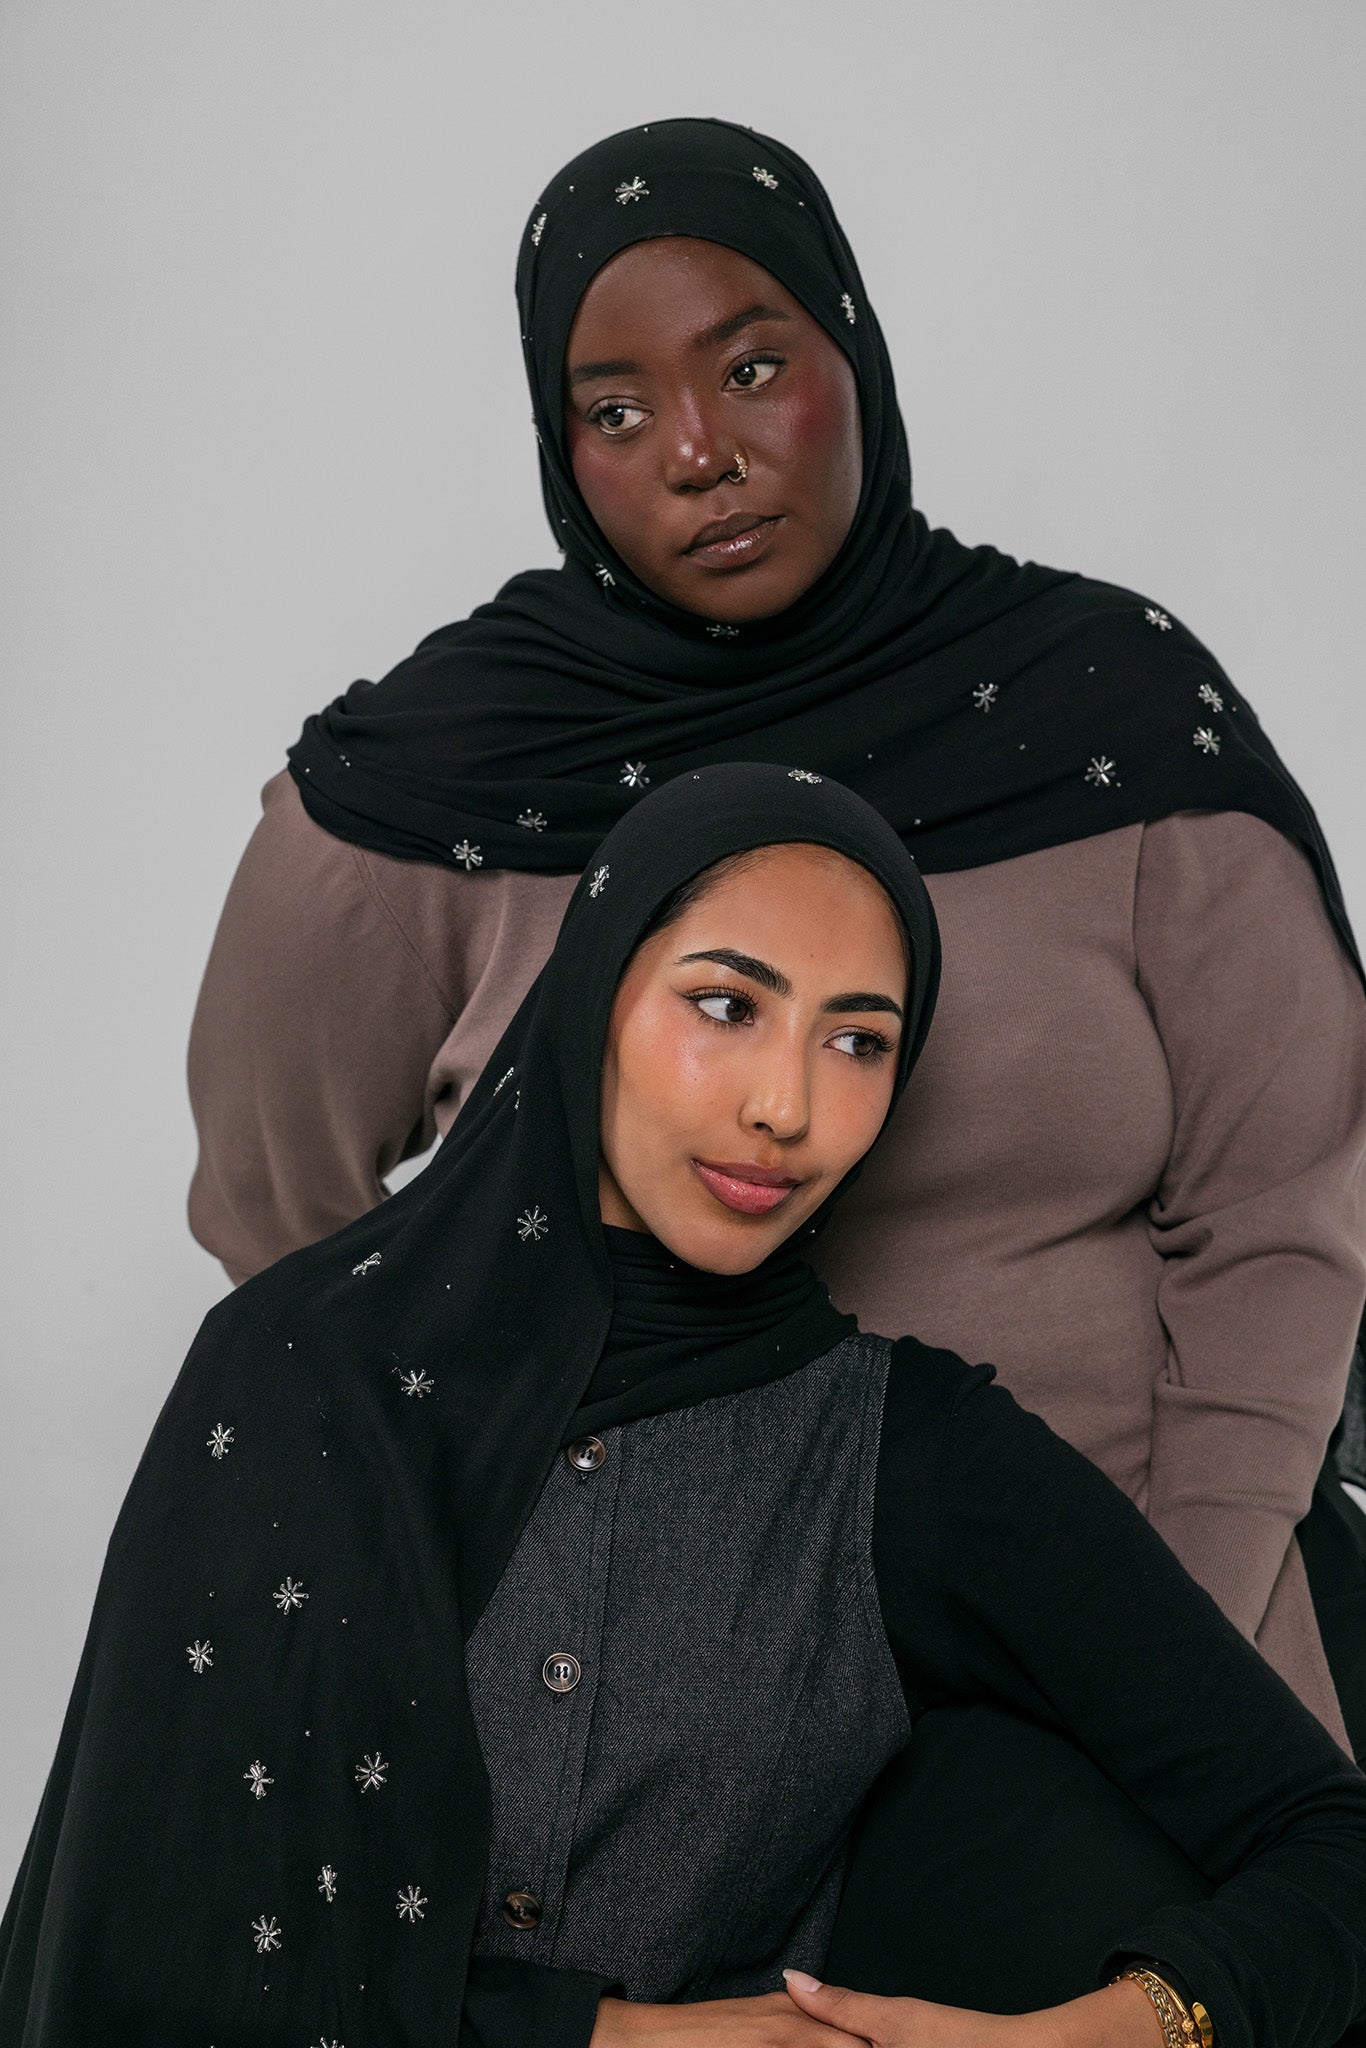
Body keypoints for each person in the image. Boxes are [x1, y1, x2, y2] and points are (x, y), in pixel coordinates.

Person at [186, 120, 1366, 1775]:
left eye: (751, 369)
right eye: (614, 411)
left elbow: (1283, 1219)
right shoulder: (440, 783)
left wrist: (1161, 1659)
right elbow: (286, 1232)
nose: (697, 453)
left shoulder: (1103, 716)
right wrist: (513, 1580)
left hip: (1162, 1597)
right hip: (637, 1691)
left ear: (852, 356)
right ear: (559, 446)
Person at [7, 765, 1366, 2048]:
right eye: (725, 1007)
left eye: (857, 1041)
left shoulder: (903, 1450)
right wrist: (605, 2036)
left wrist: (1119, 2029)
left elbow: (1329, 1835)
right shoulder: (303, 1374)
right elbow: (156, 1945)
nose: (787, 1106)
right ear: (595, 995)